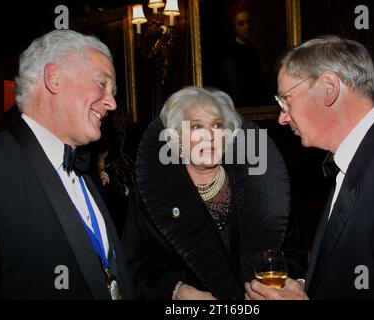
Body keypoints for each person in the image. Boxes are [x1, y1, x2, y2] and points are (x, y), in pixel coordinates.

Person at [245, 35, 374, 300]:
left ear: (328, 88)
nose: (282, 117)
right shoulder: (359, 158)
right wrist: (305, 289)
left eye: (286, 100)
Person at [122, 86, 307, 300]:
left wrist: (285, 288)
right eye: (197, 127)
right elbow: (135, 267)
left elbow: (293, 251)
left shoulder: (256, 186)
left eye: (217, 126)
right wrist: (179, 292)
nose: (209, 136)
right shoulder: (150, 197)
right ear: (178, 143)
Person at [0, 30, 134, 299]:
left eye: (112, 92)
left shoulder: (84, 174)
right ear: (54, 78)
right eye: (102, 84)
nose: (112, 103)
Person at [221, 0, 271, 107]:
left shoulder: (251, 48)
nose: (247, 27)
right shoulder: (232, 53)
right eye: (241, 23)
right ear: (234, 27)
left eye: (249, 22)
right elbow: (237, 90)